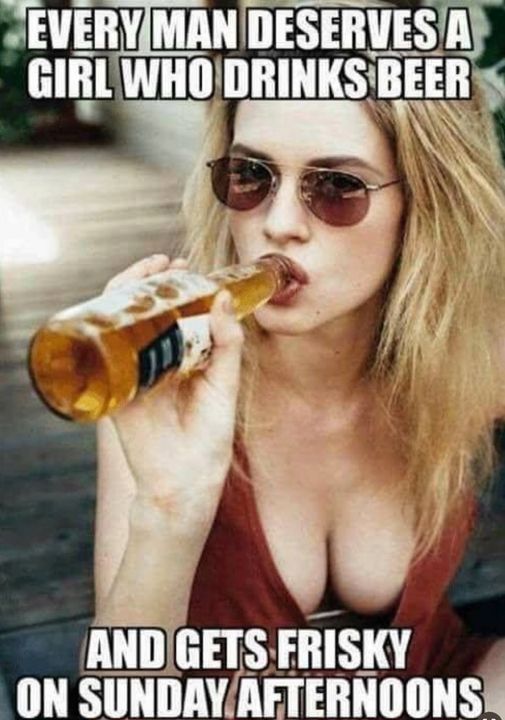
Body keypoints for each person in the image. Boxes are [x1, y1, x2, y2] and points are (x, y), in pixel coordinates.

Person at [89, 0, 505, 710]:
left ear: (426, 204)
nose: (278, 224)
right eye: (251, 174)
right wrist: (168, 509)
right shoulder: (165, 380)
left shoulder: (473, 352)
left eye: (337, 186)